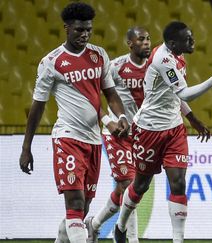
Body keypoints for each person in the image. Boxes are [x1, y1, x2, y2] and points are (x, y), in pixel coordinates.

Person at [86, 26, 212, 243]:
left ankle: (95, 224)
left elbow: (175, 94)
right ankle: (128, 238)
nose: (146, 43)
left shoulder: (163, 62)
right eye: (141, 39)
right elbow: (93, 96)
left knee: (138, 185)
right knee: (129, 183)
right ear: (130, 43)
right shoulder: (117, 67)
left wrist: (191, 118)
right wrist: (108, 122)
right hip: (120, 133)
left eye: (148, 39)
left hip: (148, 129)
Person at [113, 21, 212, 243]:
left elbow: (174, 96)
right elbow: (185, 93)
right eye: (187, 38)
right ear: (172, 43)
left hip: (174, 130)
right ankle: (121, 226)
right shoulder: (163, 59)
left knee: (178, 182)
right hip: (148, 129)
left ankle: (177, 240)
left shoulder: (178, 55)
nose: (192, 41)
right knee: (141, 185)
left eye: (191, 36)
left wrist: (193, 119)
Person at [18, 2, 129, 243]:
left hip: (93, 140)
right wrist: (26, 147)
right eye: (79, 30)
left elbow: (110, 93)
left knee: (83, 208)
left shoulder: (99, 55)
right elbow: (38, 106)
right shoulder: (51, 62)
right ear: (66, 28)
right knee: (75, 202)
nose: (85, 34)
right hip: (67, 138)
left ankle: (61, 239)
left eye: (88, 29)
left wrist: (121, 117)